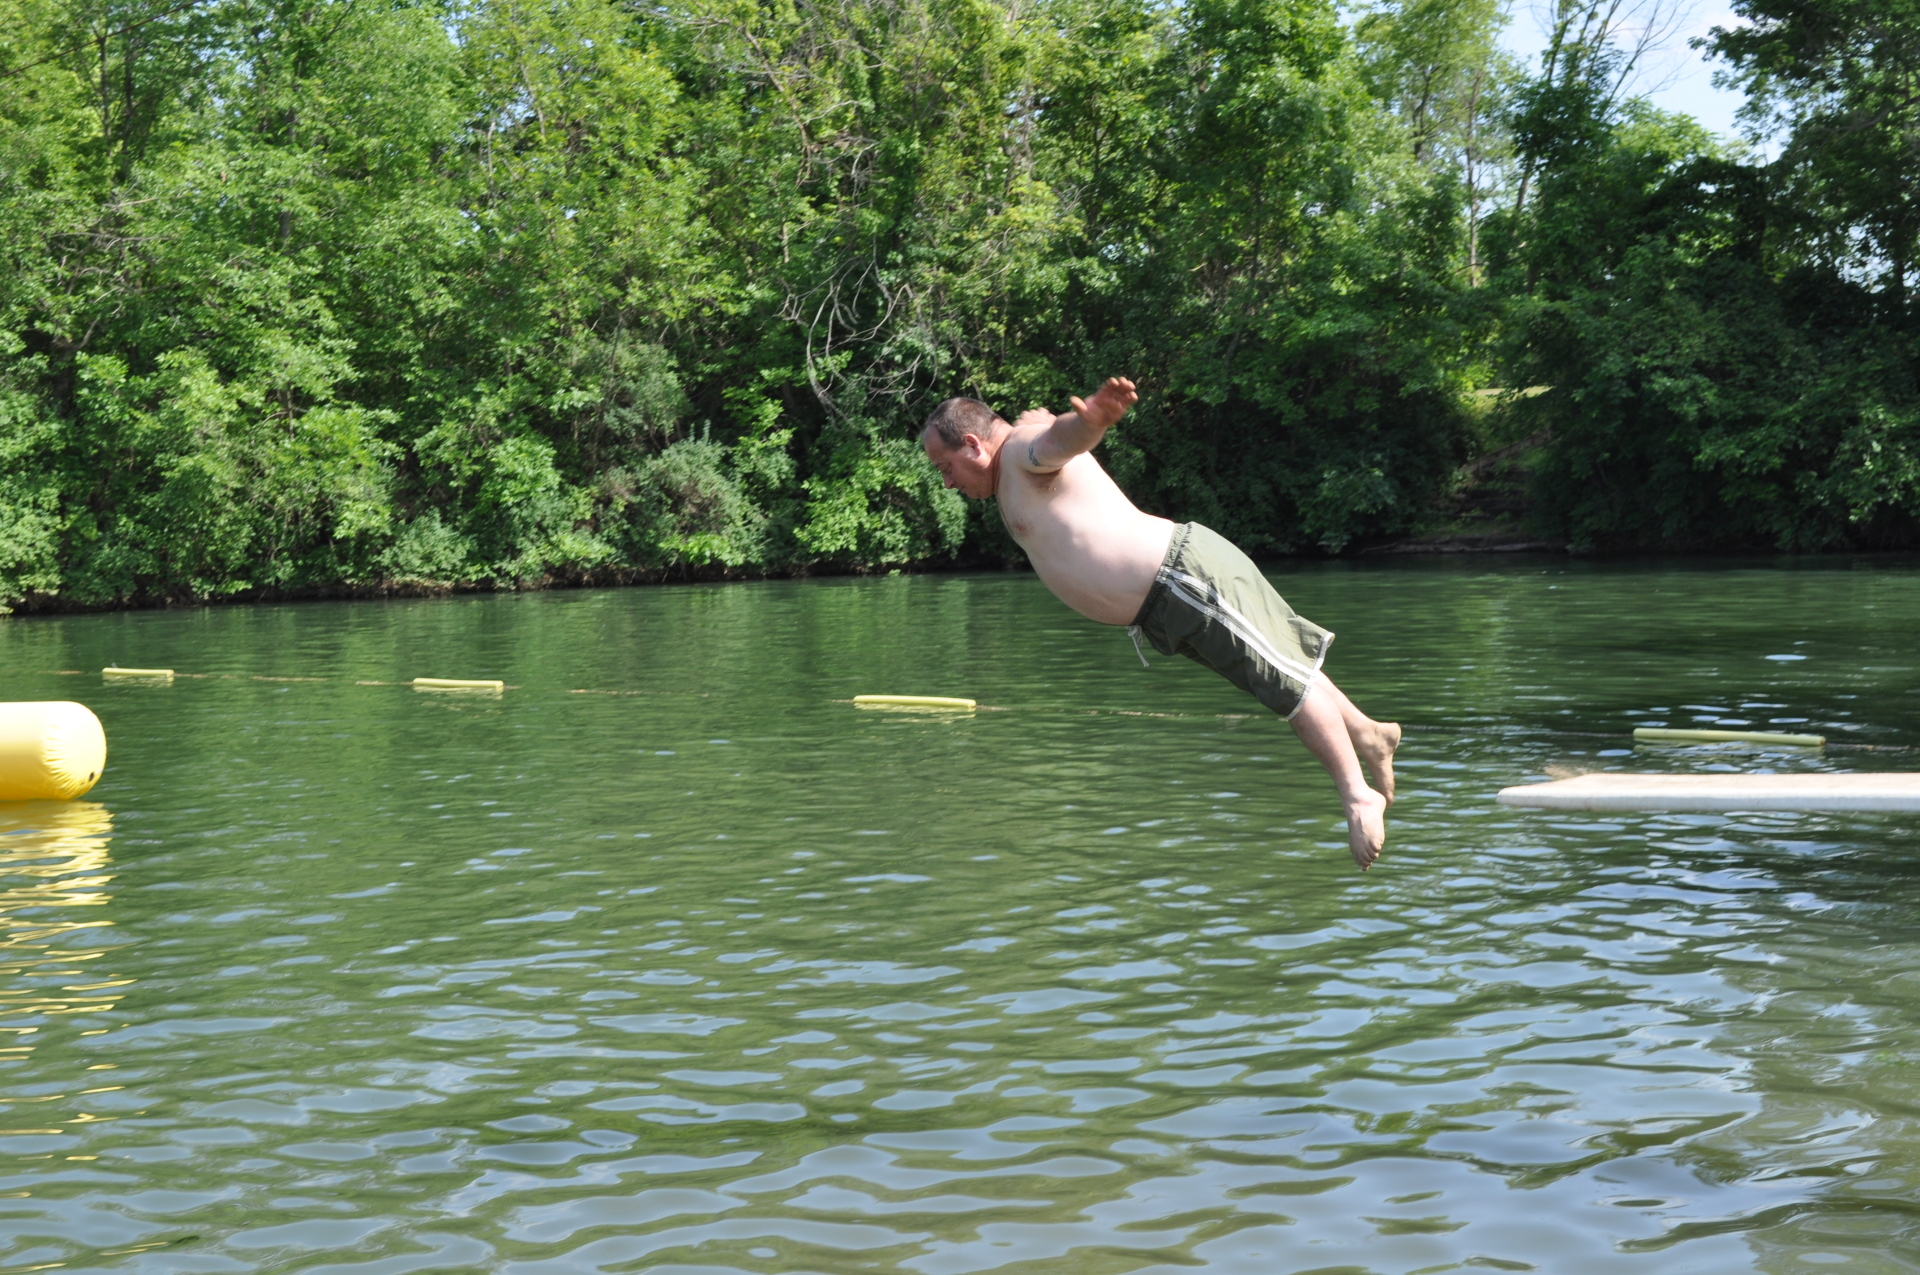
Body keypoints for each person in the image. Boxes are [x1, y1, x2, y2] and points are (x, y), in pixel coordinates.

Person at [920, 377, 1400, 870]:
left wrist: (1091, 422)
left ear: (975, 444)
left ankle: (1357, 795)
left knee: (1284, 681)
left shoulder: (1021, 451)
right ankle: (1367, 734)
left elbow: (1058, 441)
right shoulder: (1013, 464)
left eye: (946, 467)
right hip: (1164, 604)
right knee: (1277, 665)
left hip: (1183, 578)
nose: (948, 483)